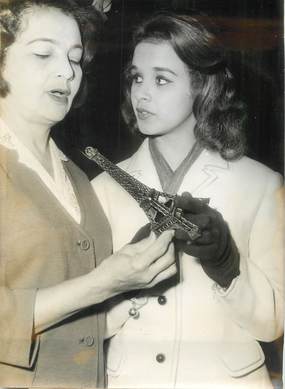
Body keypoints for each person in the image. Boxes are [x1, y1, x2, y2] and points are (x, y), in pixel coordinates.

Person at [92, 12, 284, 389]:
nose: (141, 93)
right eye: (136, 77)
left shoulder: (262, 185)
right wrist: (126, 283)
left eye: (161, 79)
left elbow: (273, 323)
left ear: (202, 87)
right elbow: (86, 328)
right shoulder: (102, 189)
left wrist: (228, 265)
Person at [0, 2, 177, 387]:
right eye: (43, 53)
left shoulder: (78, 175)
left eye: (75, 58)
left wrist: (135, 282)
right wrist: (104, 283)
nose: (67, 71)